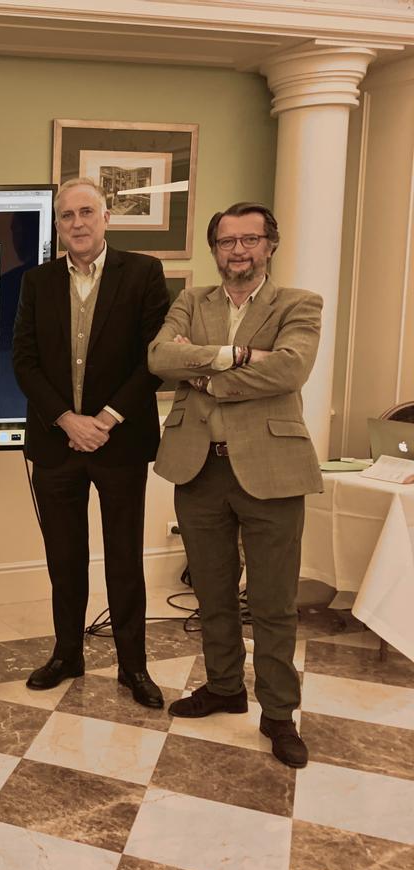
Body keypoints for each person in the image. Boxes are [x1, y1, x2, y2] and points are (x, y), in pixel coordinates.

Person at [149, 201, 321, 768]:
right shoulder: (191, 301)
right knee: (213, 593)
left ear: (271, 244)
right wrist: (237, 355)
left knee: (273, 603)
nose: (238, 251)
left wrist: (206, 376)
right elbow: (157, 358)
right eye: (227, 242)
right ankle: (224, 686)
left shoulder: (299, 303)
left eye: (250, 240)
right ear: (215, 248)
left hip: (272, 467)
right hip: (198, 467)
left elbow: (290, 370)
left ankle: (278, 714)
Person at [12, 177, 171, 708]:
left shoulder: (144, 273)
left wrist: (103, 419)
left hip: (120, 444)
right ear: (57, 226)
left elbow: (154, 357)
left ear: (106, 218)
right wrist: (66, 419)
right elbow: (25, 363)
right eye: (66, 216)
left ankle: (133, 667)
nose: (76, 223)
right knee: (64, 559)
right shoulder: (37, 282)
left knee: (125, 558)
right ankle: (66, 654)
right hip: (57, 446)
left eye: (86, 212)